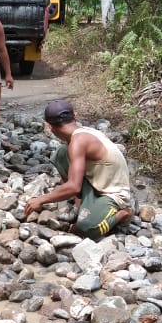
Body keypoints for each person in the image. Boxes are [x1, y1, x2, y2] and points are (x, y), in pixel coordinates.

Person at [24, 100, 134, 240]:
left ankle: (124, 213)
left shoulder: (79, 141)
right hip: (96, 184)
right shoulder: (81, 134)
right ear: (74, 117)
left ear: (50, 127)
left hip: (114, 194)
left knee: (85, 229)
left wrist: (40, 199)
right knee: (61, 153)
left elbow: (74, 186)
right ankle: (81, 206)